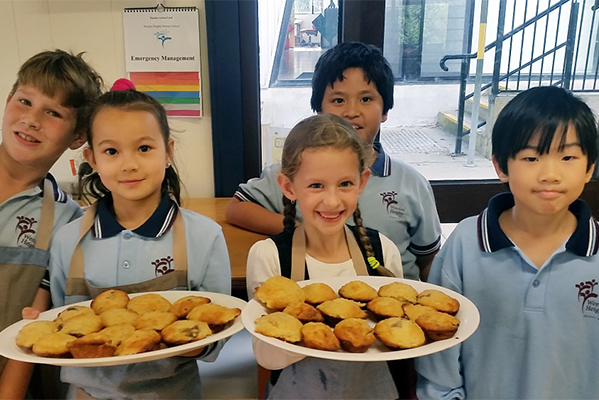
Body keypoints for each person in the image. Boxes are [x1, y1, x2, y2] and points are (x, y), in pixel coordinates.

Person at [415, 86, 599, 399]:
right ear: (501, 166)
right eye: (531, 157)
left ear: (589, 167)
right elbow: (439, 356)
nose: (550, 174)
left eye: (568, 156)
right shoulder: (465, 244)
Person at [48, 86, 231, 399]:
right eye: (111, 151)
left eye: (144, 148)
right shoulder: (68, 240)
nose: (129, 164)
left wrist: (187, 341)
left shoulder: (205, 236)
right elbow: (62, 322)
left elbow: (218, 331)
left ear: (168, 151)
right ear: (91, 158)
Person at [227, 41, 441, 282]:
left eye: (366, 99)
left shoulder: (411, 184)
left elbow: (429, 259)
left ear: (385, 109)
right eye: (338, 100)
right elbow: (237, 208)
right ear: (319, 107)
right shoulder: (296, 171)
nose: (351, 111)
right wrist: (299, 230)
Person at [246, 113, 404, 399]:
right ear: (288, 187)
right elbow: (267, 355)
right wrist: (332, 336)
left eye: (345, 184)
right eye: (316, 185)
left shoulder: (383, 252)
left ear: (362, 180)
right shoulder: (269, 256)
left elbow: (393, 338)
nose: (332, 201)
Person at [0, 49, 103, 399]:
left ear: (78, 138)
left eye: (53, 113)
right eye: (25, 101)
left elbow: (33, 322)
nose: (31, 120)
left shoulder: (66, 220)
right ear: (7, 100)